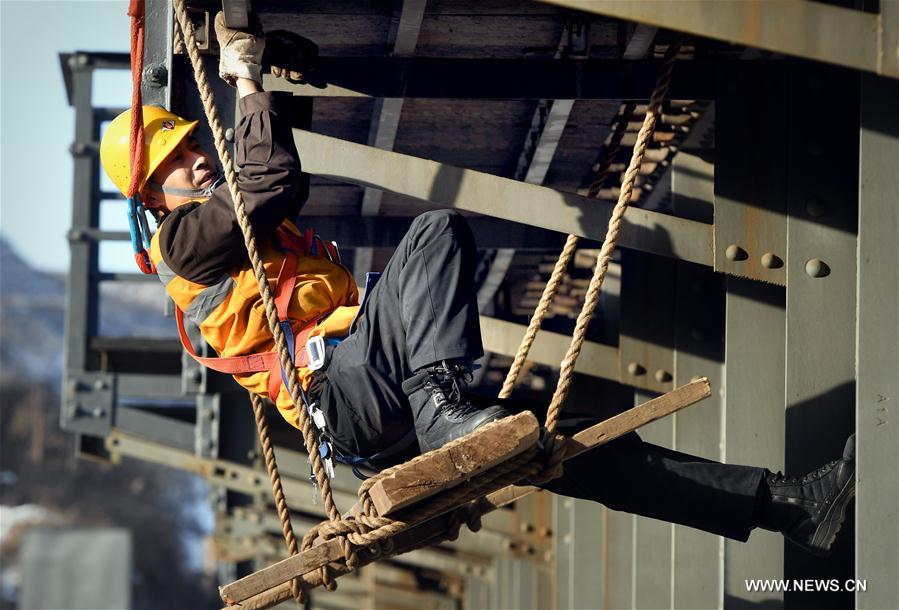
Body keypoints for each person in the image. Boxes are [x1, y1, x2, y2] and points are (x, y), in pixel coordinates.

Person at [99, 14, 856, 558]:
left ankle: (788, 506)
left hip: (369, 397)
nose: (197, 156)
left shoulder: (232, 241)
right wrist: (246, 80)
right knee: (434, 234)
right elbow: (265, 181)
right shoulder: (184, 245)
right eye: (175, 158)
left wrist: (275, 78)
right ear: (151, 195)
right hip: (353, 397)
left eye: (195, 142)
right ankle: (441, 408)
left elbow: (270, 179)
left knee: (580, 453)